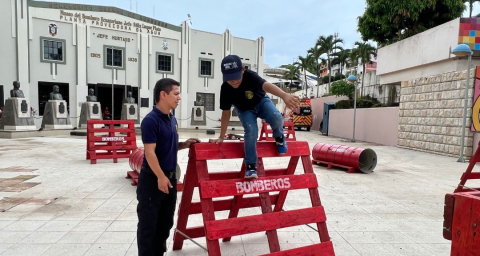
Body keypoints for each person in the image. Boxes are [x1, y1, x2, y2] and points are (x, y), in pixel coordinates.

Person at [137, 78, 200, 256]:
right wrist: (160, 177)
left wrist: (184, 144)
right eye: (176, 93)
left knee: (165, 224)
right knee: (148, 226)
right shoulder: (151, 121)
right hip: (153, 180)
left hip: (169, 178)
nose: (179, 97)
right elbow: (150, 152)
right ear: (163, 95)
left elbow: (167, 144)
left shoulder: (171, 118)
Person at [209, 55, 300, 179]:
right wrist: (221, 136)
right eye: (230, 80)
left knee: (276, 116)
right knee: (251, 131)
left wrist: (284, 95)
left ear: (243, 70)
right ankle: (251, 167)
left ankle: (279, 137)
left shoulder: (250, 75)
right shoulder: (225, 88)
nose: (234, 82)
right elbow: (226, 113)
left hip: (262, 102)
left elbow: (266, 85)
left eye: (236, 78)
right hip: (245, 110)